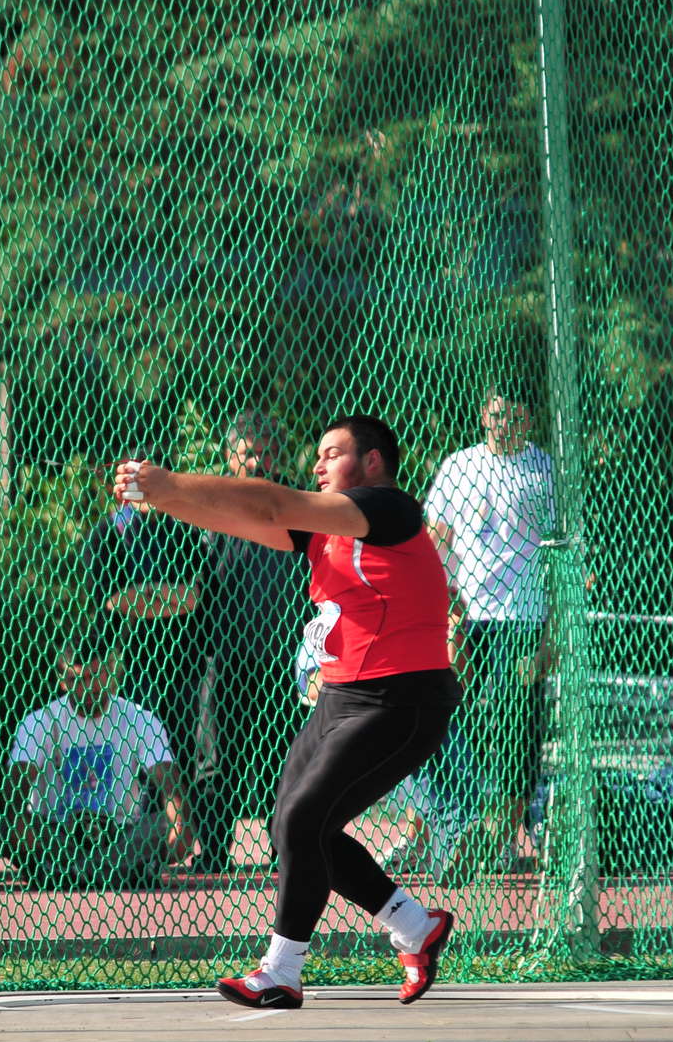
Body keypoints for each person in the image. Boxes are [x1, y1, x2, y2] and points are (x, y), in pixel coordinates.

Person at [113, 413, 460, 1009]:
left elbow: (271, 503)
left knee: (302, 821)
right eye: (318, 454)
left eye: (332, 454)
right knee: (293, 828)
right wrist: (166, 500)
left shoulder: (386, 507)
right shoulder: (326, 528)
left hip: (403, 698)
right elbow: (243, 518)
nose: (318, 464)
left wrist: (168, 482)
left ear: (372, 462)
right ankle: (414, 926)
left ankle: (281, 971)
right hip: (343, 695)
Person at [423, 391, 557, 877]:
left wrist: (550, 639)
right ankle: (457, 828)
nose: (505, 426)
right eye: (497, 416)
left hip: (523, 618)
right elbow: (435, 542)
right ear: (484, 415)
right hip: (465, 615)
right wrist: (445, 612)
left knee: (515, 726)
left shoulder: (544, 471)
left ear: (530, 419)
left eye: (516, 417)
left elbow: (559, 557)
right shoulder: (458, 467)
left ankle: (498, 836)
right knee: (451, 722)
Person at [194, 413, 307, 870]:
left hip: (285, 657)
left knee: (288, 757)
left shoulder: (297, 505)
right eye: (247, 453)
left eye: (266, 453)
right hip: (225, 656)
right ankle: (214, 854)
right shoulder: (213, 505)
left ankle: (285, 850)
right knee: (216, 756)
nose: (258, 462)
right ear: (229, 457)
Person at [1, 634, 196, 890]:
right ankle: (113, 873)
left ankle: (68, 873)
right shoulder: (41, 720)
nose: (87, 688)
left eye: (95, 676)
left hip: (119, 836)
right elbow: (18, 779)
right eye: (77, 679)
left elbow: (167, 778)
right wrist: (18, 821)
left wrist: (179, 823)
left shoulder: (138, 718)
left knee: (164, 823)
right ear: (62, 681)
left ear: (110, 672)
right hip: (59, 835)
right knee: (8, 824)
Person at [80, 464, 207, 841]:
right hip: (129, 660)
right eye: (131, 479)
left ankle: (188, 836)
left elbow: (193, 595)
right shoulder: (108, 532)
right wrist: (162, 598)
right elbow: (107, 600)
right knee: (135, 747)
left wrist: (144, 599)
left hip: (184, 657)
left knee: (184, 744)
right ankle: (139, 836)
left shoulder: (183, 529)